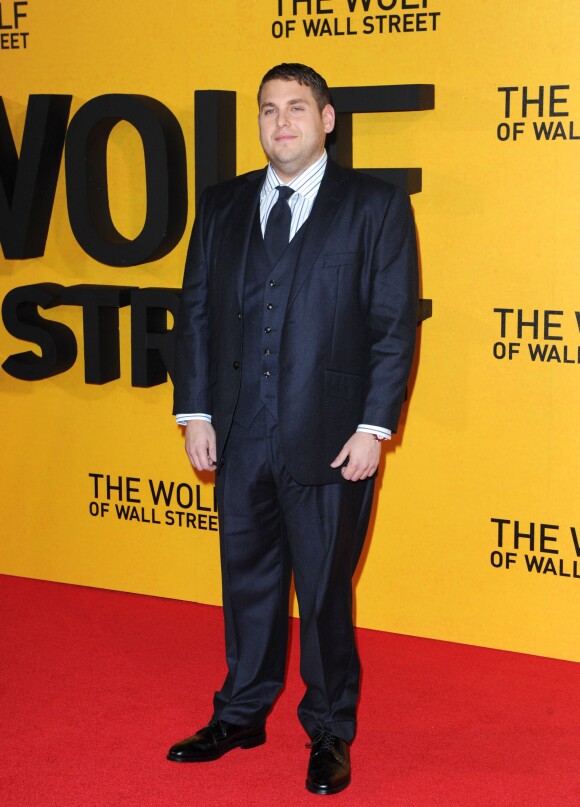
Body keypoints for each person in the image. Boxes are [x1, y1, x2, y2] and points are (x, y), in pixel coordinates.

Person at [168, 62, 418, 796]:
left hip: (334, 437)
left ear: (327, 119)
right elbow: (198, 315)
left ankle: (330, 729)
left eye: (298, 108)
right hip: (240, 432)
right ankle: (241, 712)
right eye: (269, 109)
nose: (282, 122)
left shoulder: (373, 205)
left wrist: (375, 426)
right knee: (246, 584)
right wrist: (197, 413)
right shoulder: (221, 204)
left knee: (324, 593)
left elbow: (392, 324)